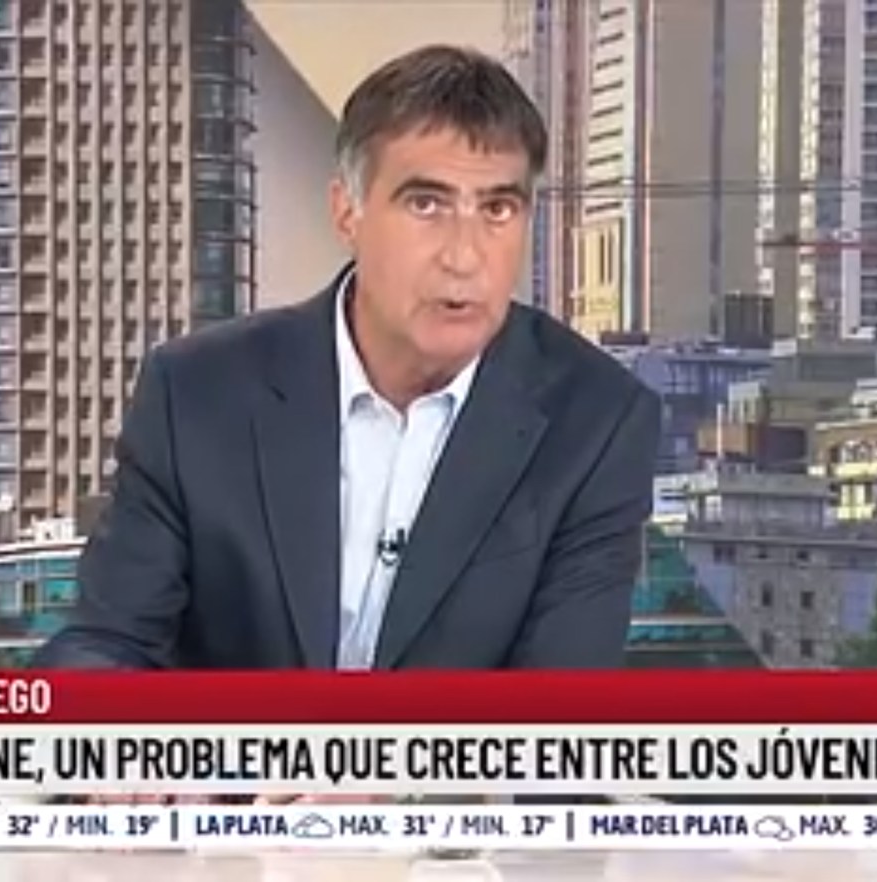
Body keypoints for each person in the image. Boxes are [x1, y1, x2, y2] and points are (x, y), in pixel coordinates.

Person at [33, 44, 660, 676]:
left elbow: (554, 709)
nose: (465, 257)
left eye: (497, 209)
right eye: (426, 204)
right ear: (346, 212)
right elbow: (106, 642)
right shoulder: (197, 393)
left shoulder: (597, 422)